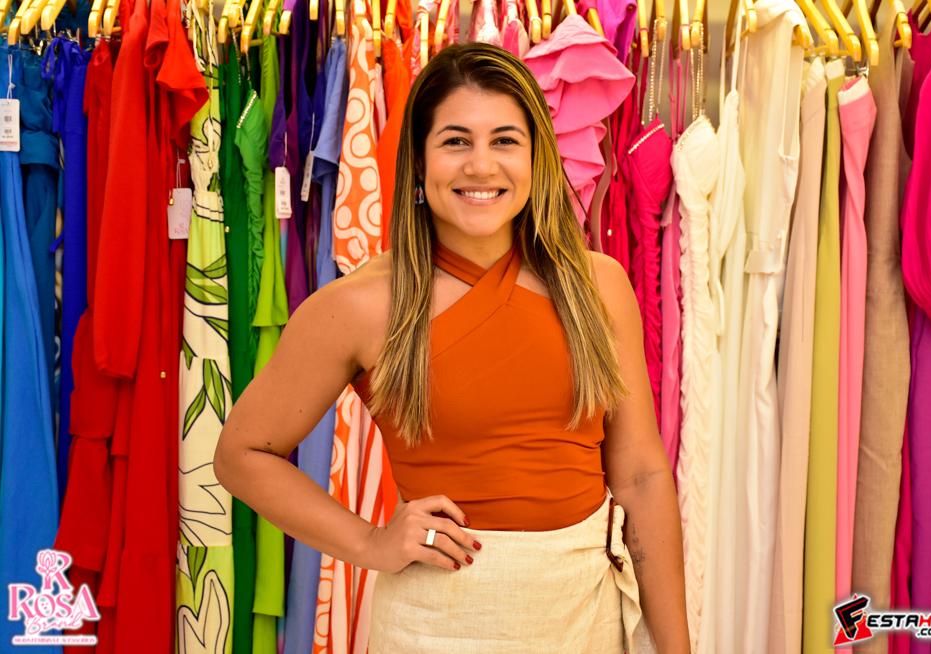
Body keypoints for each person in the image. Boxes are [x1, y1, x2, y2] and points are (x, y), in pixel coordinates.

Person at [215, 42, 689, 654]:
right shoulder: (359, 305)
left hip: (588, 615)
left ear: (537, 157)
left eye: (505, 141)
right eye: (456, 141)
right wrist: (369, 543)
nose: (481, 166)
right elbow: (241, 454)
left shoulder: (598, 284)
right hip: (436, 624)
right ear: (418, 159)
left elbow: (643, 477)